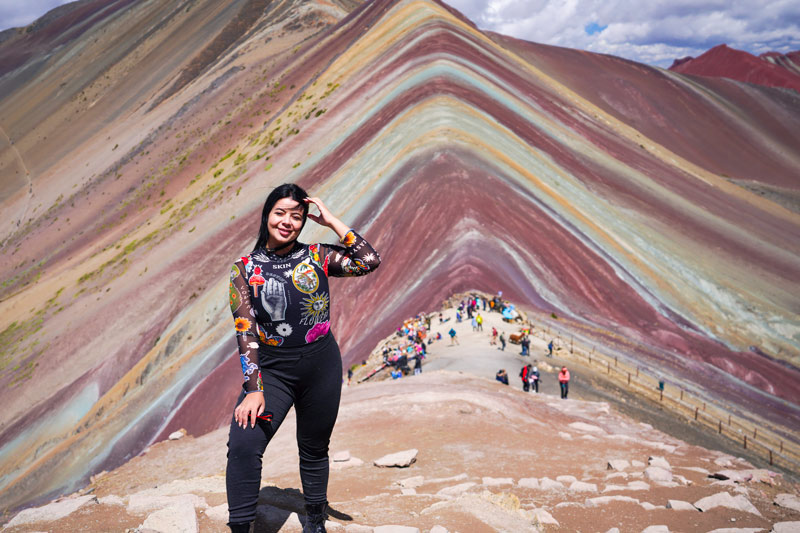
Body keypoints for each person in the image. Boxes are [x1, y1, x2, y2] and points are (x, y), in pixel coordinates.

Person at [226, 183, 381, 533]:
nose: (287, 222)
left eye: (296, 217)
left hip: (320, 366)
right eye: (280, 213)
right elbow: (245, 330)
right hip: (273, 372)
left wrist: (332, 222)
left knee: (313, 448)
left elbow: (368, 260)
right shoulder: (244, 269)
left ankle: (315, 521)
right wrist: (254, 389)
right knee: (244, 444)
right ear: (267, 215)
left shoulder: (318, 256)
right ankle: (240, 528)